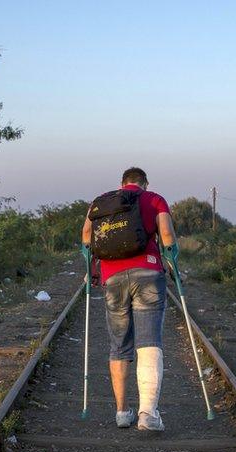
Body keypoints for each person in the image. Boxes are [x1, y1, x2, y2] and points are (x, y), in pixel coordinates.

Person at [81, 167, 178, 431]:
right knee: (149, 342)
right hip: (148, 272)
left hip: (112, 278)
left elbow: (87, 236)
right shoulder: (154, 199)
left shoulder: (101, 202)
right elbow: (166, 236)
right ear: (144, 183)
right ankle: (148, 414)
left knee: (119, 345)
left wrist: (91, 269)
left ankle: (123, 412)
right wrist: (172, 263)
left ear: (122, 184)